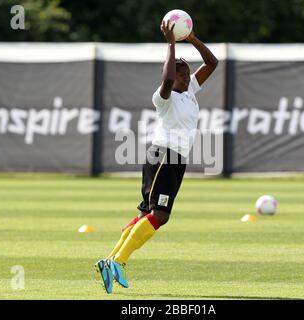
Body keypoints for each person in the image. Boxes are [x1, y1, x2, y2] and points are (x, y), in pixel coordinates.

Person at [94, 19, 218, 294]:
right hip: (164, 155)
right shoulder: (163, 97)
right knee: (160, 215)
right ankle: (118, 261)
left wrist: (193, 38)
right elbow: (166, 78)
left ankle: (110, 260)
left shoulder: (190, 92)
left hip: (176, 159)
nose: (186, 79)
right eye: (181, 75)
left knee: (148, 213)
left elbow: (212, 63)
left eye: (186, 75)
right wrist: (172, 43)